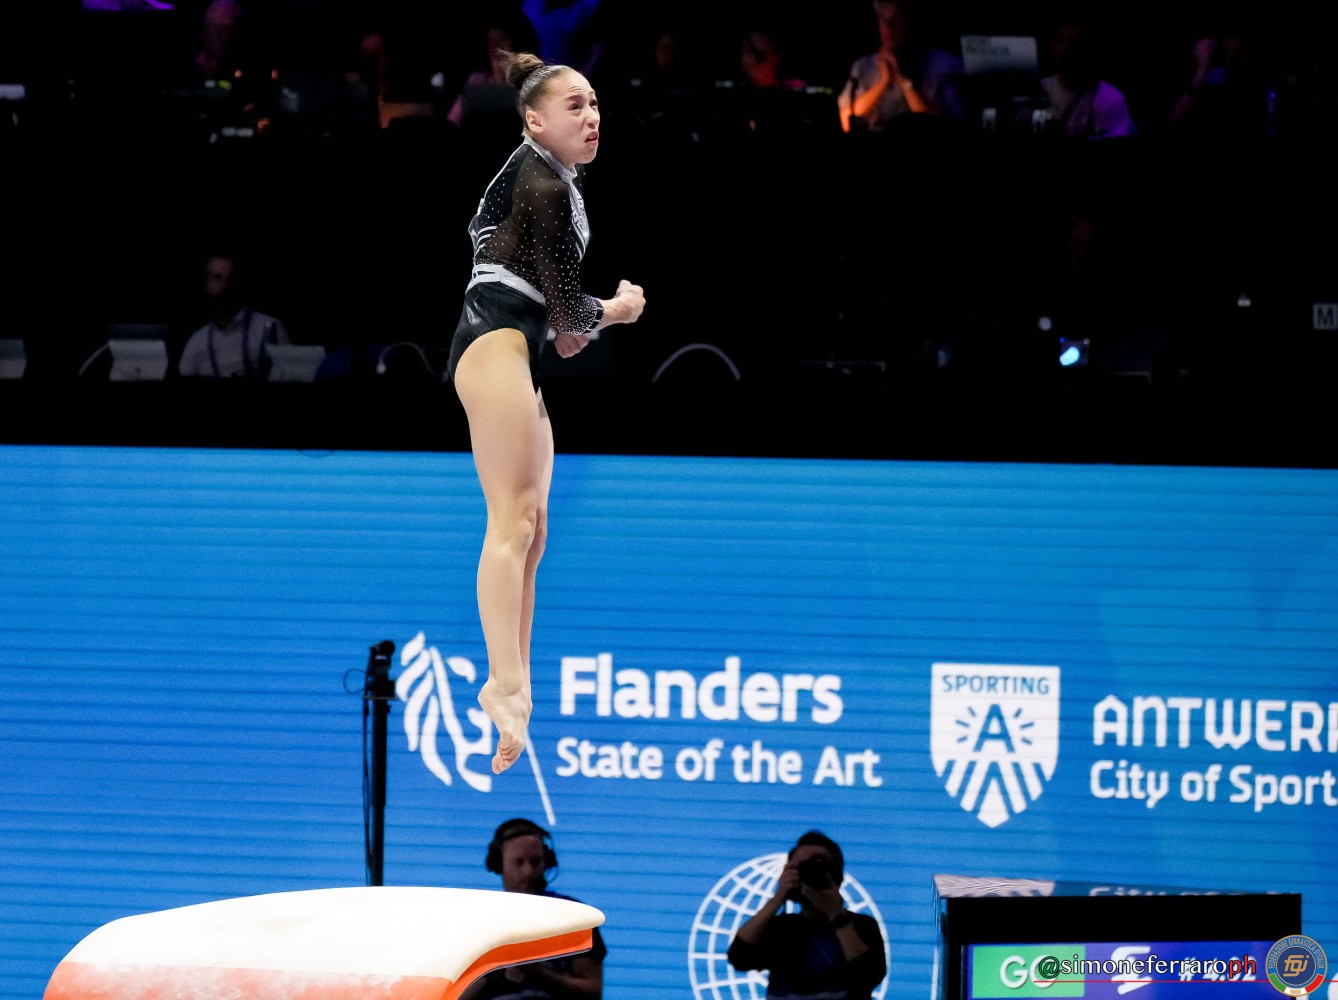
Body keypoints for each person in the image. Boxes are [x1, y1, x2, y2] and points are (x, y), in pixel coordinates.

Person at [445, 49, 646, 775]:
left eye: (595, 104)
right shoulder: (542, 181)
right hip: (493, 341)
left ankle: (518, 686)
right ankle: (500, 684)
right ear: (534, 121)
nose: (592, 117)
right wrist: (618, 308)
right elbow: (570, 315)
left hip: (515, 343)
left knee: (534, 530)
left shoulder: (551, 179)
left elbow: (556, 320)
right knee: (512, 523)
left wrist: (569, 321)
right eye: (574, 106)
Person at [727, 830, 887, 1000]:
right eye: (800, 868)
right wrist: (778, 897)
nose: (809, 873)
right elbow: (739, 957)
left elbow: (869, 975)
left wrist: (836, 914)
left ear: (837, 876)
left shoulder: (862, 926)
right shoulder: (782, 929)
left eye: (818, 865)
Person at [459, 818, 606, 1000]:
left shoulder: (575, 916)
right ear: (499, 864)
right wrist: (494, 971)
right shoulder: (476, 920)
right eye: (519, 862)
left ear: (547, 862)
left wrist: (540, 975)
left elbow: (592, 991)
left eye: (535, 862)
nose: (528, 871)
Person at [837, 0, 964, 133]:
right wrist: (882, 83)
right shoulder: (863, 66)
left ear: (910, 22)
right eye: (883, 20)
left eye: (896, 20)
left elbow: (946, 126)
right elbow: (844, 119)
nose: (888, 28)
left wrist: (904, 83)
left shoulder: (945, 66)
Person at [178, 251, 291, 378]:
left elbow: (288, 375)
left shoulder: (271, 327)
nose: (225, 285)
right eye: (217, 278)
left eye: (230, 279)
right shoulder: (198, 340)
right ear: (206, 286)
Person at [1037, 14, 1136, 138]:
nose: (1067, 49)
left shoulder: (1110, 98)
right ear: (1052, 45)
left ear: (1088, 47)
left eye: (1075, 42)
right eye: (1061, 41)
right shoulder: (1038, 92)